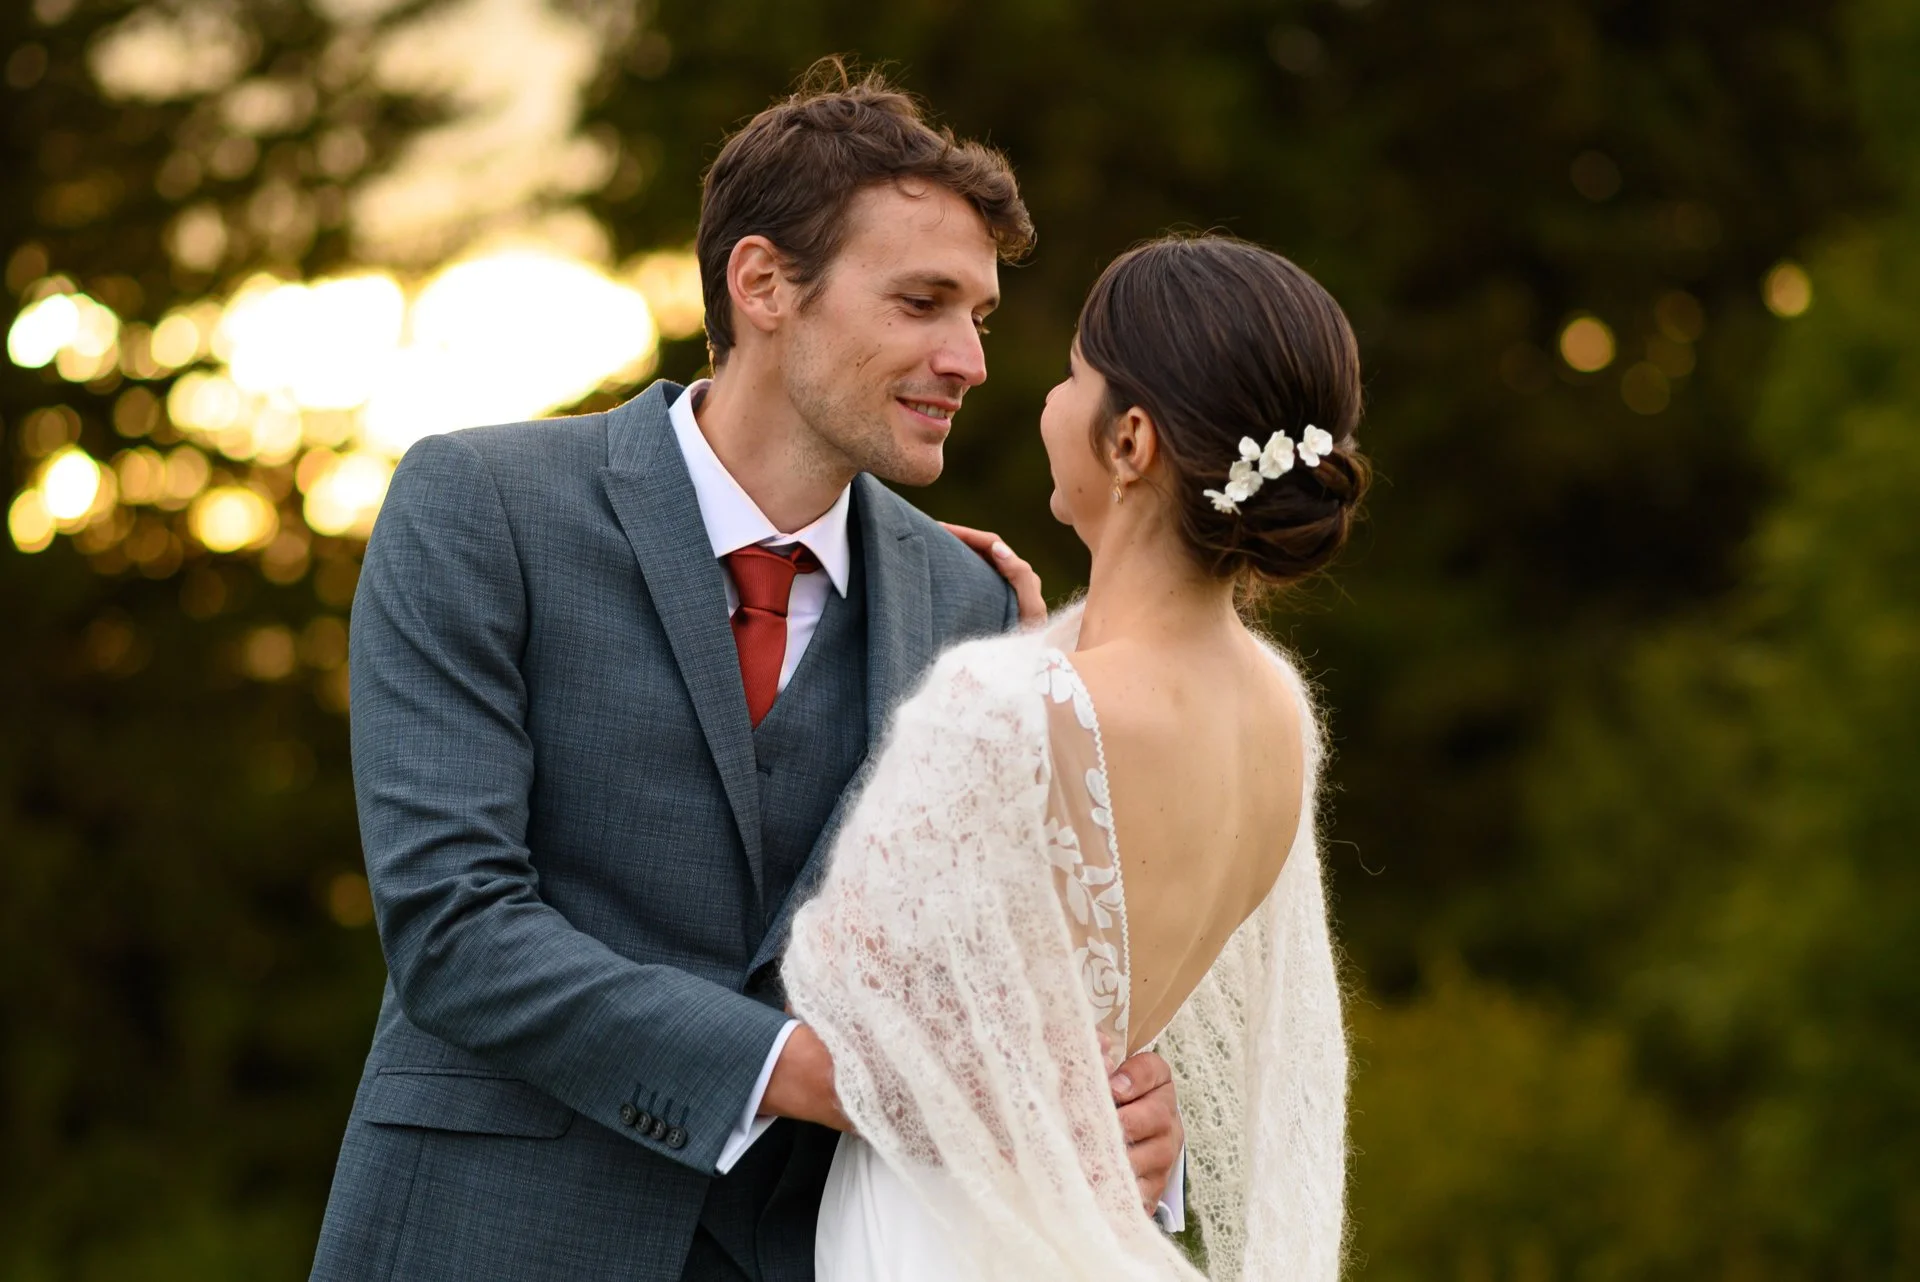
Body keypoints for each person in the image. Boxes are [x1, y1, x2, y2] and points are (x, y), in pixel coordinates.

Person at [308, 64, 1184, 1282]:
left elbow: (1010, 963)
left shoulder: (975, 605)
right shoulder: (480, 506)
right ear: (764, 283)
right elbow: (454, 924)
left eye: (977, 315)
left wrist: (1125, 1121)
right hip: (487, 1234)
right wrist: (824, 1074)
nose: (969, 359)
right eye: (923, 302)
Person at [787, 234, 1369, 1280]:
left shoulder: (1001, 706)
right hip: (1100, 1223)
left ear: (1131, 439)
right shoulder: (1280, 708)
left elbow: (848, 1006)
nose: (1047, 398)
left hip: (946, 1230)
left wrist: (991, 684)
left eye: (1072, 375)